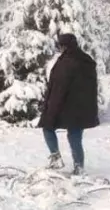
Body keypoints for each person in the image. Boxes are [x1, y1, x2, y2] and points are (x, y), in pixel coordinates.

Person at [37, 32, 99, 175]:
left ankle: (56, 158)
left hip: (65, 106)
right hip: (83, 108)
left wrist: (50, 110)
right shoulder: (86, 60)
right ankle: (79, 167)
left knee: (47, 128)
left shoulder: (66, 63)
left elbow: (58, 88)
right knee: (75, 136)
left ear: (63, 46)